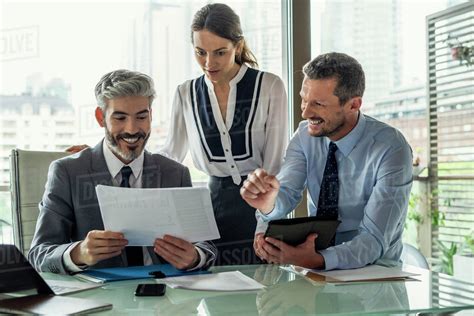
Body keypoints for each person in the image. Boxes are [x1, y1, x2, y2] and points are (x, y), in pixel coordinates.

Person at [29, 70, 217, 274]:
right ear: (101, 118)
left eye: (141, 117)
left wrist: (194, 257)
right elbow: (40, 254)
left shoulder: (175, 173)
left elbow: (205, 246)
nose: (132, 129)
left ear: (151, 115)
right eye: (120, 118)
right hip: (102, 298)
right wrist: (79, 253)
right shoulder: (67, 172)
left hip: (165, 295)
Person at [241, 52, 413, 270]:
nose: (305, 112)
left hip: (375, 273)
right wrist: (268, 206)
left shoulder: (391, 148)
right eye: (304, 99)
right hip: (317, 270)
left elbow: (374, 239)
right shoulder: (304, 136)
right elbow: (286, 194)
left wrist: (316, 260)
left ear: (353, 105)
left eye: (318, 104)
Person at [159, 3, 288, 265]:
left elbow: (276, 161)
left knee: (263, 295)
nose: (209, 62)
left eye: (220, 52)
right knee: (217, 295)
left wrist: (265, 215)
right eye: (200, 52)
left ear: (237, 46)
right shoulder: (185, 93)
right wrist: (108, 151)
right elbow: (170, 154)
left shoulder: (270, 86)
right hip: (211, 209)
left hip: (260, 205)